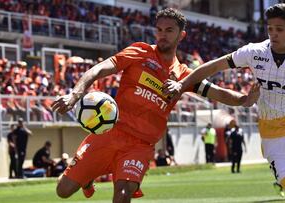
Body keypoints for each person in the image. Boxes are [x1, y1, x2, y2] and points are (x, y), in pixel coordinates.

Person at [51, 8, 260, 203]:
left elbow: (219, 93)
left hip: (140, 146)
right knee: (64, 191)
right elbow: (99, 69)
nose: (163, 35)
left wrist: (244, 100)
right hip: (110, 132)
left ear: (181, 36)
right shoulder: (140, 52)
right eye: (159, 30)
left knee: (122, 195)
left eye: (169, 30)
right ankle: (90, 175)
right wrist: (75, 94)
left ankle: (97, 173)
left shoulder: (185, 76)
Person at [163, 3, 285, 203]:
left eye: (279, 30)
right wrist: (182, 84)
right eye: (270, 29)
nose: (273, 34)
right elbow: (214, 66)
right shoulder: (254, 53)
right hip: (273, 137)